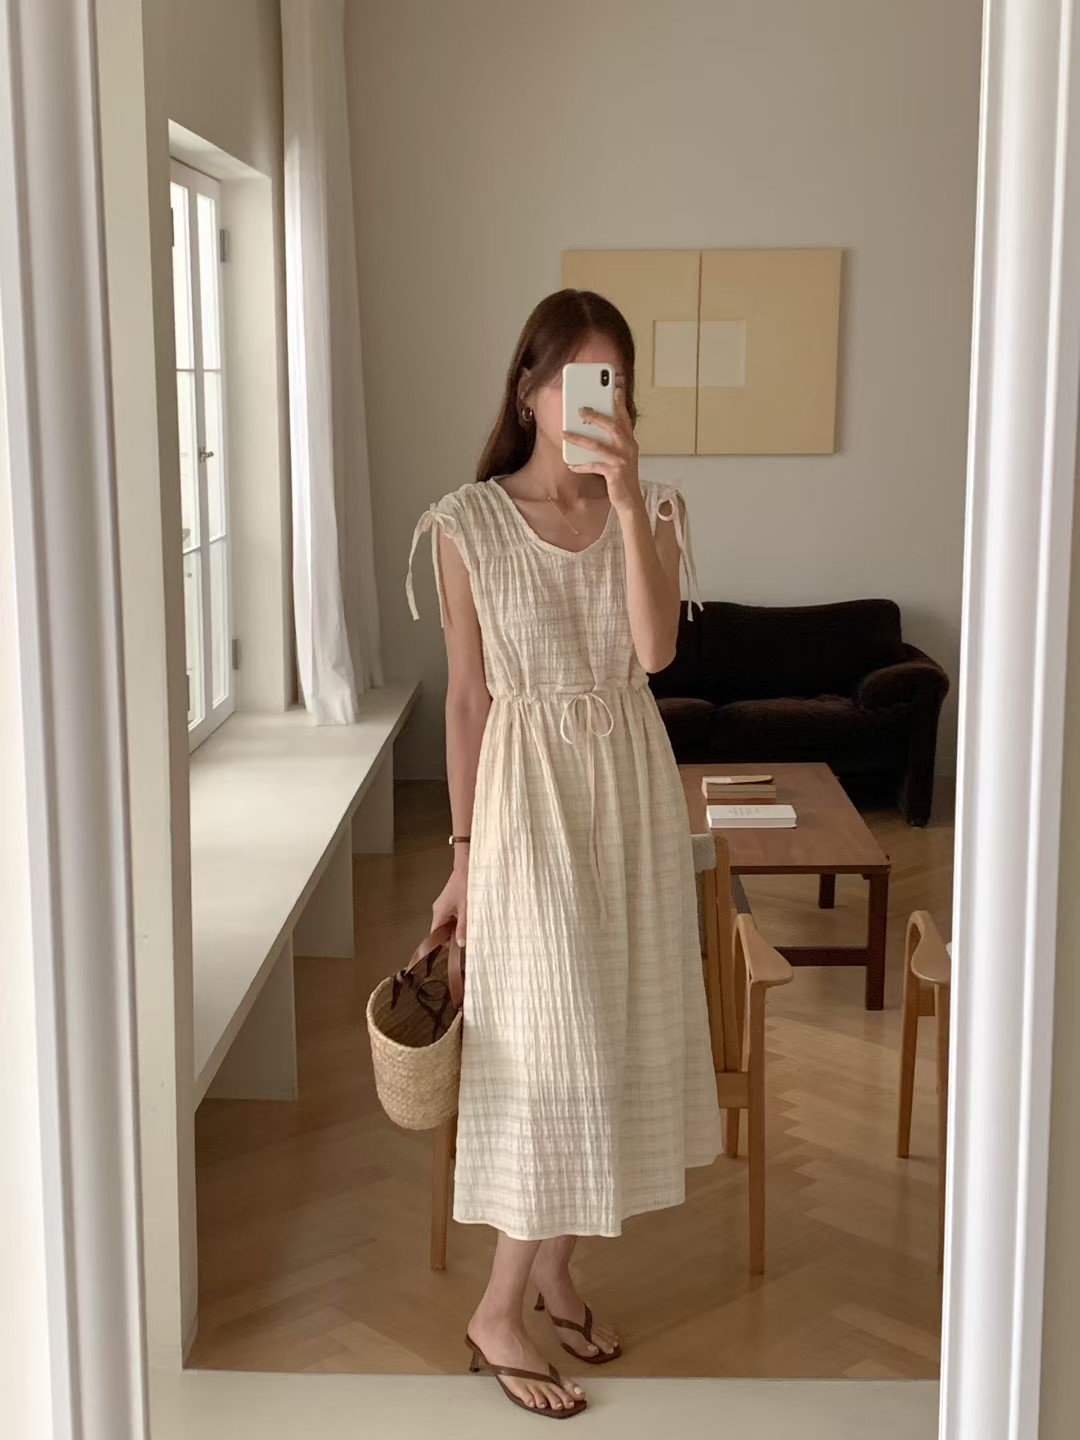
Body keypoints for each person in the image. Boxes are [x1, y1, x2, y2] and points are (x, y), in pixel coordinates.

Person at [404, 289, 721, 1419]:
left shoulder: (656, 507)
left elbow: (654, 650)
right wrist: (461, 858)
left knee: (622, 1041)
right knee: (551, 1053)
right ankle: (498, 1310)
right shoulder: (466, 523)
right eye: (581, 379)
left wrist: (628, 501)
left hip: (629, 804)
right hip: (528, 813)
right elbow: (469, 703)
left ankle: (553, 1271)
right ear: (530, 390)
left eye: (615, 382)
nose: (600, 401)